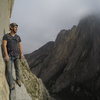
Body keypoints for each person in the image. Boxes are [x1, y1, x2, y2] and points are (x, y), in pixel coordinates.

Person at [2, 23, 24, 90]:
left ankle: (18, 80)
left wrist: (21, 54)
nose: (16, 29)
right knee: (9, 70)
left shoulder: (18, 37)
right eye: (15, 27)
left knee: (18, 69)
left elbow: (20, 46)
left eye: (17, 28)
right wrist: (6, 55)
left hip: (17, 56)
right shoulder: (6, 36)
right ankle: (11, 84)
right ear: (11, 28)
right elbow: (4, 46)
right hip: (9, 56)